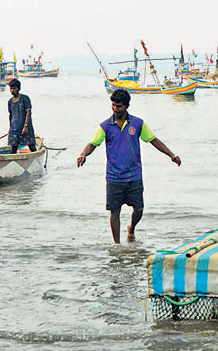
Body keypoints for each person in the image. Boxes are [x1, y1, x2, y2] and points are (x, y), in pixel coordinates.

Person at [77, 89, 181, 244]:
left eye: (118, 106)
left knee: (139, 209)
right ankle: (117, 244)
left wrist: (171, 155)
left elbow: (153, 140)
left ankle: (132, 228)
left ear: (126, 106)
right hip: (114, 177)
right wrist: (83, 154)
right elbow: (93, 143)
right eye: (113, 105)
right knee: (115, 211)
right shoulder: (105, 126)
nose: (115, 109)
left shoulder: (138, 124)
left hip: (134, 175)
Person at [7, 79, 37, 153]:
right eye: (11, 88)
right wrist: (10, 127)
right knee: (13, 149)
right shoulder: (10, 101)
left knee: (32, 146)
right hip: (14, 129)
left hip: (25, 128)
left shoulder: (25, 98)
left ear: (18, 89)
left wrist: (26, 126)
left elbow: (28, 113)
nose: (12, 90)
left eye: (14, 88)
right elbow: (10, 115)